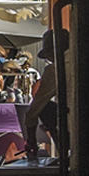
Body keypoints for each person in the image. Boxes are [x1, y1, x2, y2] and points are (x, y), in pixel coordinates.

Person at [24, 27, 69, 164]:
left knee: (45, 108)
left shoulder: (55, 69)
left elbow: (34, 110)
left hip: (70, 124)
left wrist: (31, 141)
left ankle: (64, 154)